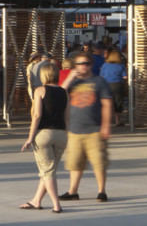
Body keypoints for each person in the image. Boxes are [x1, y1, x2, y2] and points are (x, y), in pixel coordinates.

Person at [59, 53, 112, 202]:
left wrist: (106, 125)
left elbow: (107, 104)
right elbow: (59, 94)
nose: (84, 66)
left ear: (91, 65)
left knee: (98, 162)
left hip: (94, 129)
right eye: (81, 63)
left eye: (87, 63)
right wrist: (69, 78)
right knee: (75, 162)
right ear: (75, 65)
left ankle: (101, 191)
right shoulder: (72, 83)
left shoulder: (99, 81)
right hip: (75, 129)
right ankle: (72, 191)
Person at [19, 61, 68, 213]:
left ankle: (56, 205)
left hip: (44, 134)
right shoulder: (64, 92)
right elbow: (67, 116)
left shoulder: (39, 90)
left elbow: (37, 115)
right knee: (48, 171)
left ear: (43, 75)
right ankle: (36, 200)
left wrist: (30, 137)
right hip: (61, 134)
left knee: (47, 172)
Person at [99, 50, 128, 127]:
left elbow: (101, 76)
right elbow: (125, 77)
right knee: (118, 103)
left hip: (106, 85)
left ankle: (107, 121)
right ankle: (118, 121)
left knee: (107, 103)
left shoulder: (105, 65)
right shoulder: (120, 65)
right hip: (117, 85)